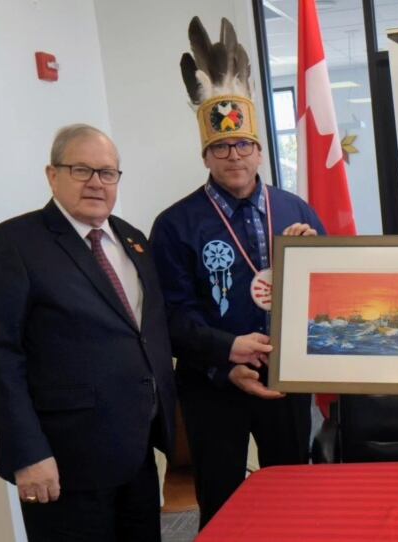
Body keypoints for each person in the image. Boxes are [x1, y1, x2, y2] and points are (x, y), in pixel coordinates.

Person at [150, 16, 326, 529]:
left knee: (294, 496)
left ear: (259, 149)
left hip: (287, 381)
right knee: (223, 502)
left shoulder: (296, 210)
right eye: (221, 147)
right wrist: (226, 358)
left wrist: (314, 259)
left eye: (243, 144)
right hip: (213, 385)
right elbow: (172, 317)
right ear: (206, 152)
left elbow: (330, 297)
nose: (234, 156)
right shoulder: (175, 224)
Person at [0, 124, 176, 541]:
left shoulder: (132, 239)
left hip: (136, 449)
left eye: (107, 173)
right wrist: (28, 453)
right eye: (81, 170)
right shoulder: (10, 244)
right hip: (65, 462)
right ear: (52, 175)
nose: (96, 183)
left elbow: (145, 331)